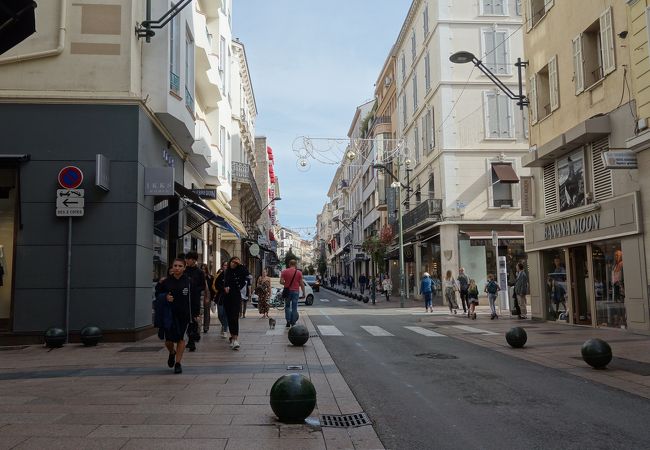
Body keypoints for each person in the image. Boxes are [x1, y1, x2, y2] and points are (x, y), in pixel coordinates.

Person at [154, 258, 192, 374]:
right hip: (169, 315)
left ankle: (178, 363)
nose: (177, 268)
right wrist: (165, 297)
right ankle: (172, 352)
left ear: (184, 268)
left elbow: (193, 298)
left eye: (180, 266)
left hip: (183, 314)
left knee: (180, 338)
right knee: (168, 340)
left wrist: (195, 314)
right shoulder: (165, 282)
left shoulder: (188, 281)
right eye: (175, 265)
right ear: (172, 267)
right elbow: (157, 295)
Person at [223, 256, 250, 350]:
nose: (233, 264)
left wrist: (240, 264)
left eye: (236, 263)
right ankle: (232, 336)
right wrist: (225, 287)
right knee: (230, 318)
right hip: (227, 298)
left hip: (236, 297)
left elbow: (247, 273)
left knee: (235, 317)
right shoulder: (227, 272)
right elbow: (223, 283)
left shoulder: (241, 272)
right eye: (232, 262)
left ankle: (235, 339)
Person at [183, 252, 207, 352]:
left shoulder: (199, 272)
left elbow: (203, 285)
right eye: (186, 259)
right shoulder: (184, 271)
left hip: (194, 299)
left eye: (188, 259)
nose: (187, 261)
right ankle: (191, 338)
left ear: (193, 260)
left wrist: (196, 289)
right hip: (184, 299)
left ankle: (191, 340)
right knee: (186, 319)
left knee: (193, 319)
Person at [281, 260, 305, 328]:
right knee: (294, 307)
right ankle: (293, 322)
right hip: (295, 291)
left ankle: (288, 321)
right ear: (295, 264)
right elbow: (302, 284)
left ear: (289, 264)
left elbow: (281, 281)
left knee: (287, 306)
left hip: (287, 291)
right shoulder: (299, 272)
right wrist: (304, 292)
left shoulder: (284, 271)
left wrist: (286, 284)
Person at [212, 261, 229, 338]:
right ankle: (224, 325)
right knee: (220, 315)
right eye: (224, 265)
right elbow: (216, 285)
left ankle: (225, 330)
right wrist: (223, 288)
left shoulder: (231, 275)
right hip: (220, 297)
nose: (226, 266)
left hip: (228, 298)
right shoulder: (220, 275)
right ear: (222, 266)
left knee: (225, 314)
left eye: (227, 265)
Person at [201, 264, 215, 334]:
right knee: (200, 312)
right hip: (200, 295)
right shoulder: (199, 277)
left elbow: (212, 289)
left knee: (206, 312)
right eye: (202, 269)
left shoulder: (210, 277)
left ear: (207, 270)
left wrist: (212, 298)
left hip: (208, 295)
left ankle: (206, 327)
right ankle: (198, 326)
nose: (203, 270)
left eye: (204, 269)